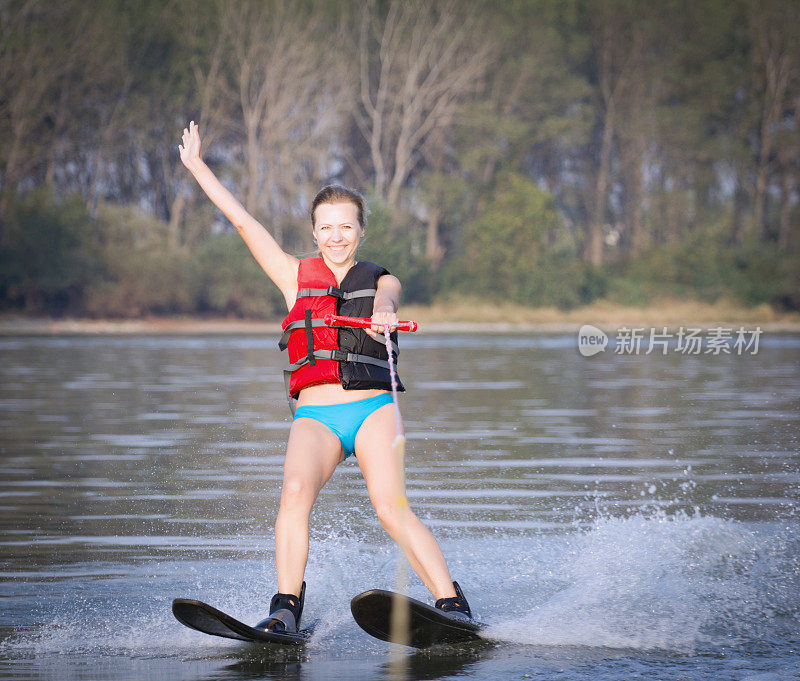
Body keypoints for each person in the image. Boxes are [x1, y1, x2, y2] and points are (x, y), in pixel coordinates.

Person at [178, 121, 472, 633]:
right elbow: (243, 221)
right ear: (314, 232)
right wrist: (198, 167)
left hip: (372, 408)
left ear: (361, 231)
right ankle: (285, 611)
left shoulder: (381, 278)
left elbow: (390, 294)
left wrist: (382, 309)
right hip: (317, 415)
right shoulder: (293, 277)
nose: (337, 236)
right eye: (327, 227)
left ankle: (451, 604)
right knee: (293, 491)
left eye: (347, 226)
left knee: (389, 506)